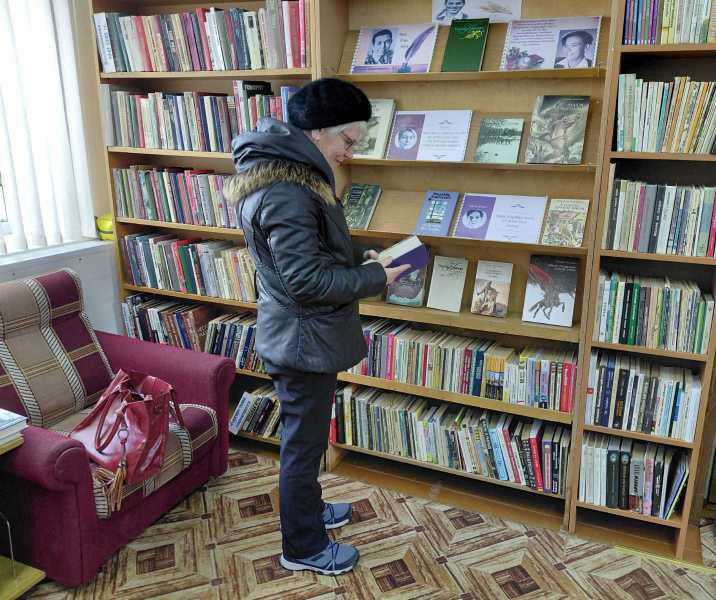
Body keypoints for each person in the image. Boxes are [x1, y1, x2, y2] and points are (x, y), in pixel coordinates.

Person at [224, 78, 410, 576]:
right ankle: (303, 546)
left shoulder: (294, 176)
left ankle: (309, 511)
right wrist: (376, 277)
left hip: (302, 336)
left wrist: (360, 256)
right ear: (317, 131)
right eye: (347, 140)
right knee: (302, 449)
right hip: (301, 342)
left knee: (304, 441)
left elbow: (313, 250)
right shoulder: (288, 190)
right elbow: (306, 281)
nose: (350, 152)